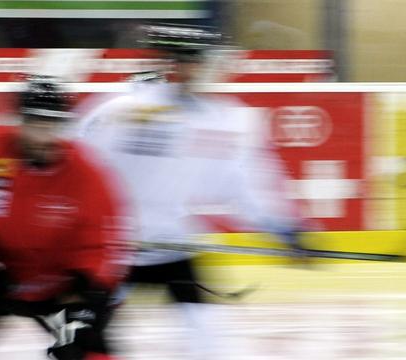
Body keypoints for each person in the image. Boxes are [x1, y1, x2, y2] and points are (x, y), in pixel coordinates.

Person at [74, 23, 305, 357]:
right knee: (85, 336)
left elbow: (247, 185)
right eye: (189, 61)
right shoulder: (122, 110)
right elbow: (74, 162)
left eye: (204, 63)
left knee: (207, 336)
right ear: (176, 65)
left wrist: (284, 226)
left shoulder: (228, 120)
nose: (200, 71)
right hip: (113, 247)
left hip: (172, 245)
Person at [0, 76, 130, 359]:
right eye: (37, 124)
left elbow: (103, 246)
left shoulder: (87, 174)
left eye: (54, 125)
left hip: (61, 288)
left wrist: (85, 305)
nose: (45, 137)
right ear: (19, 120)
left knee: (83, 351)